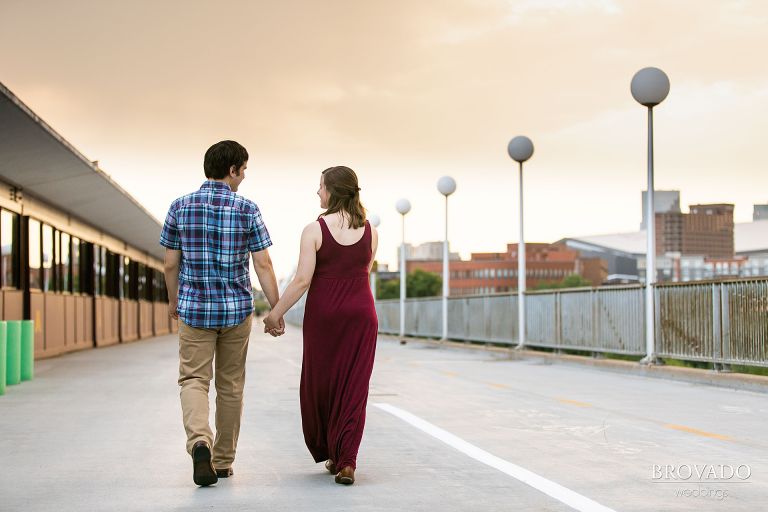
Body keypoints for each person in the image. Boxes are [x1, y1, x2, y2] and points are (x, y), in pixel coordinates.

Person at [160, 140, 284, 487]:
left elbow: (170, 263)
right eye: (243, 170)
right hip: (235, 311)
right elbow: (263, 262)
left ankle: (200, 441)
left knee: (194, 379)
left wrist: (174, 302)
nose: (244, 176)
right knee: (231, 385)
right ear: (232, 170)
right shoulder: (247, 208)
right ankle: (223, 461)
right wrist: (276, 308)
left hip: (194, 310)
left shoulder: (179, 207)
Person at [264, 165, 378, 486]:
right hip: (361, 316)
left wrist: (276, 314)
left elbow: (302, 280)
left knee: (322, 383)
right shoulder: (371, 231)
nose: (317, 192)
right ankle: (346, 462)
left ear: (333, 191)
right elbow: (362, 271)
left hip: (325, 316)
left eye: (321, 186)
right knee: (354, 387)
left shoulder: (314, 230)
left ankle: (334, 451)